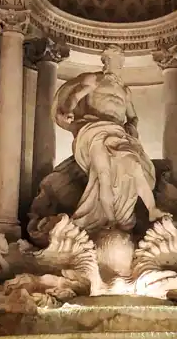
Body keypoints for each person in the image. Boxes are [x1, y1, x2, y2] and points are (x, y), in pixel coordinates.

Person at [53, 45, 164, 233]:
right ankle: (111, 221)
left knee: (135, 166)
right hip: (95, 130)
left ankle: (152, 209)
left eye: (121, 62)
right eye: (115, 61)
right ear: (105, 62)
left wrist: (132, 127)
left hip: (119, 133)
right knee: (103, 175)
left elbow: (133, 116)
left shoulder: (125, 90)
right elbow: (74, 96)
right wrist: (69, 111)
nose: (119, 65)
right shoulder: (94, 80)